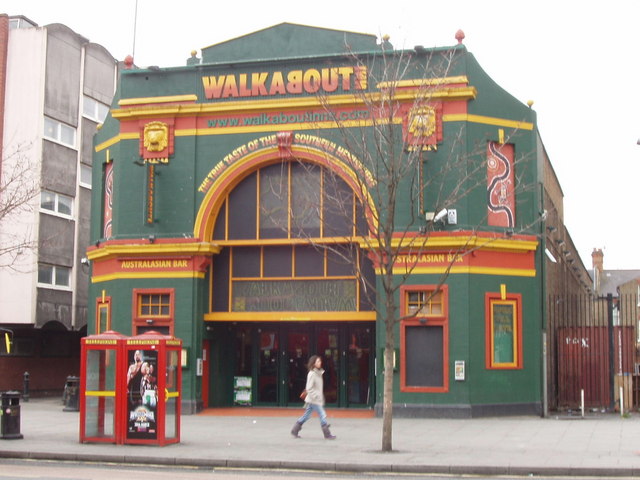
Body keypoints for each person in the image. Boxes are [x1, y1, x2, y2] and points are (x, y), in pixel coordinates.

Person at [291, 355, 336, 439]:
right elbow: (309, 388)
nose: (320, 363)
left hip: (314, 399)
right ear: (313, 363)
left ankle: (295, 430)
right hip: (314, 400)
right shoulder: (312, 374)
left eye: (320, 361)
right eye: (318, 361)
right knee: (322, 414)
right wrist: (316, 396)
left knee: (306, 416)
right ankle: (327, 433)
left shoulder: (318, 373)